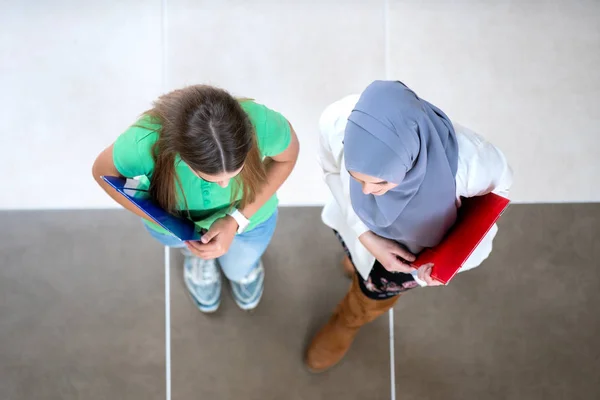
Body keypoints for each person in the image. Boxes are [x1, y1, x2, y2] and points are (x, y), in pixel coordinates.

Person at [305, 80, 513, 372]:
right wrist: (365, 234)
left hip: (412, 254)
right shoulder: (342, 120)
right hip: (361, 232)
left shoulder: (473, 162)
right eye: (358, 178)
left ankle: (348, 321)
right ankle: (356, 262)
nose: (365, 192)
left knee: (372, 295)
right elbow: (329, 167)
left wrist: (436, 266)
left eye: (380, 182)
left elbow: (494, 201)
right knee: (353, 250)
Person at [92, 85, 299, 313]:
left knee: (238, 266)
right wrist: (166, 221)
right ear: (183, 157)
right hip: (176, 224)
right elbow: (103, 173)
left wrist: (237, 219)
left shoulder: (263, 123)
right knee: (191, 247)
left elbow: (287, 158)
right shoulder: (143, 141)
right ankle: (200, 258)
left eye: (236, 172)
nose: (225, 185)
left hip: (252, 216)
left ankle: (242, 269)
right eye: (213, 179)